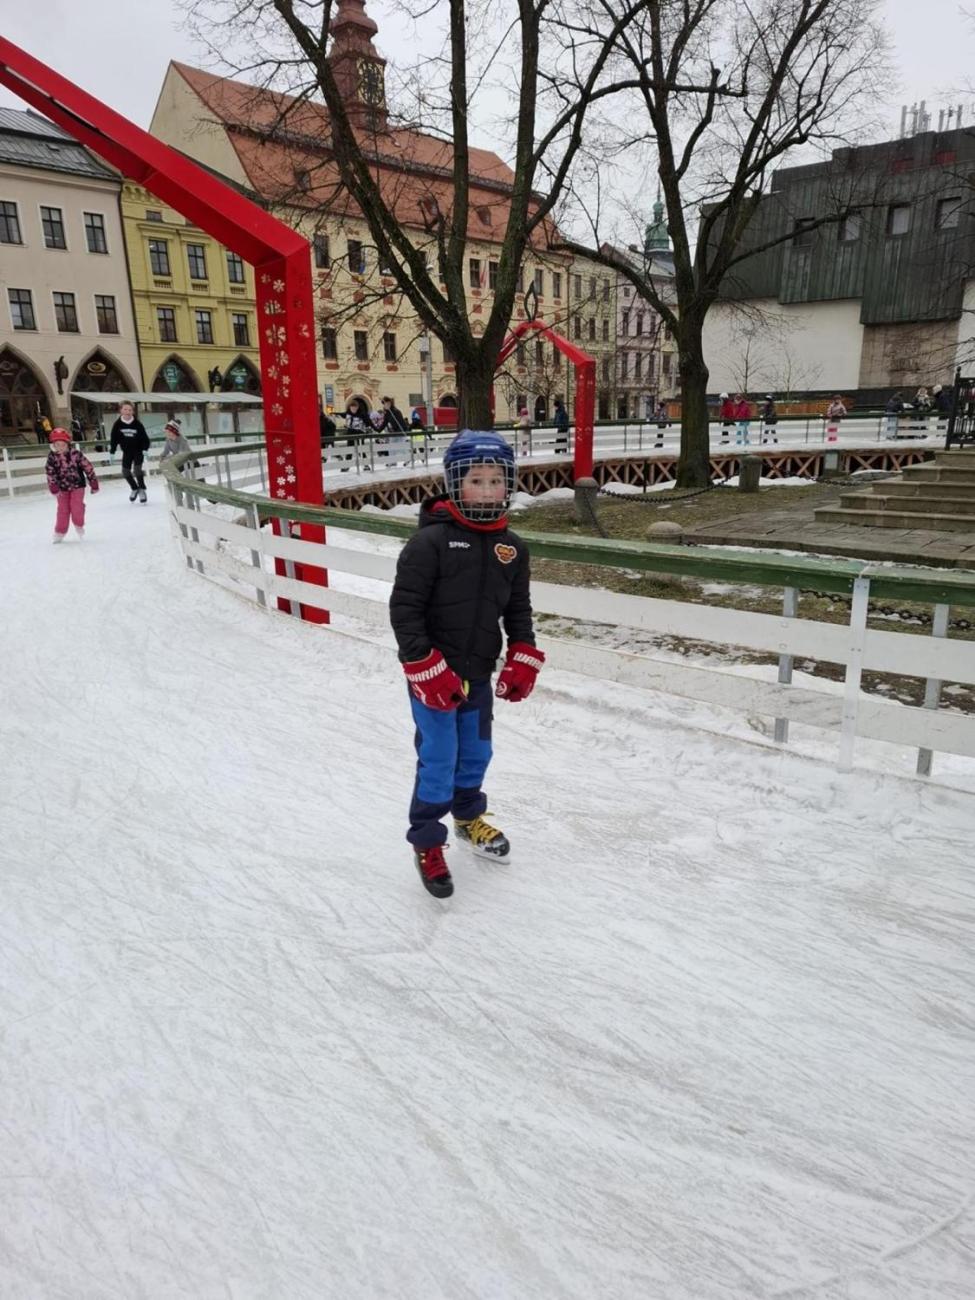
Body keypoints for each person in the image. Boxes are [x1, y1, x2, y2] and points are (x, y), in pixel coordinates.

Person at [389, 429, 544, 899]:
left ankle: (468, 817)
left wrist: (523, 653)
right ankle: (426, 840)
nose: (487, 491)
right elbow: (405, 610)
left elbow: (518, 610)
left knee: (476, 753)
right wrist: (423, 664)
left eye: (496, 481)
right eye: (476, 481)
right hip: (433, 677)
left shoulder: (512, 548)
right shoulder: (429, 543)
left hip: (477, 674)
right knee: (439, 757)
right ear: (456, 484)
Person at [46, 426, 98, 542]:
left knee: (76, 506)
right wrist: (53, 485)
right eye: (57, 445)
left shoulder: (76, 454)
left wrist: (93, 482)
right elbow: (50, 472)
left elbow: (88, 467)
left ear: (67, 444)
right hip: (61, 488)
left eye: (63, 445)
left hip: (77, 486)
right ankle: (60, 532)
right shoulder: (52, 457)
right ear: (53, 445)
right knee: (62, 510)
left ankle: (79, 524)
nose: (60, 447)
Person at [109, 400, 151, 502]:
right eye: (125, 409)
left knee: (137, 470)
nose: (127, 412)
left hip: (138, 451)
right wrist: (112, 452)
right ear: (121, 411)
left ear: (133, 411)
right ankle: (134, 488)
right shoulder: (117, 424)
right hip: (127, 452)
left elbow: (145, 438)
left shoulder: (137, 424)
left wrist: (145, 449)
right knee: (125, 471)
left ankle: (142, 489)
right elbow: (114, 439)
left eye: (130, 410)